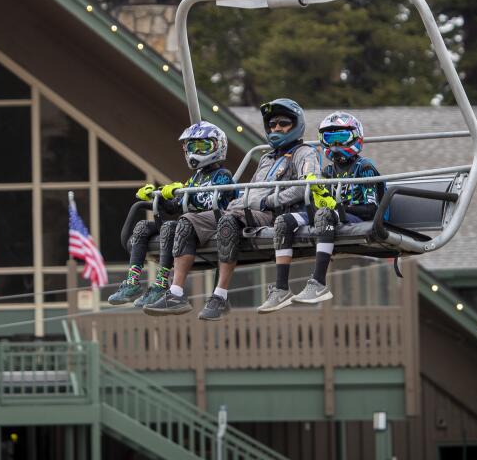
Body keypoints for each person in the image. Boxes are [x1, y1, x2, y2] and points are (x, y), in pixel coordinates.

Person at [146, 98, 318, 320]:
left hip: (273, 214)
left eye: (283, 123)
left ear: (296, 124)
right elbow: (253, 189)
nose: (276, 128)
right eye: (272, 124)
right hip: (245, 209)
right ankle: (176, 293)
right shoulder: (266, 158)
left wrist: (269, 201)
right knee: (187, 220)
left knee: (228, 221)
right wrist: (239, 202)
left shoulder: (304, 153)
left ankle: (220, 296)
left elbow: (307, 185)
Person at [258, 111, 385, 310]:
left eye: (341, 138)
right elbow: (321, 202)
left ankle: (319, 283)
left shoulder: (364, 168)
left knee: (324, 214)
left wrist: (336, 208)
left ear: (355, 137)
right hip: (334, 215)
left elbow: (370, 209)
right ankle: (281, 288)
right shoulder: (327, 172)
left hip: (361, 217)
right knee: (284, 221)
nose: (334, 145)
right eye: (329, 139)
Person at [108, 121, 237, 308]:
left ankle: (161, 283)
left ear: (218, 146)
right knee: (142, 227)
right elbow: (174, 208)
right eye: (193, 147)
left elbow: (208, 202)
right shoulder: (195, 177)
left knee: (169, 226)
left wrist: (183, 192)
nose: (196, 152)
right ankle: (132, 281)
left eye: (203, 146)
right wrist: (158, 196)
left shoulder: (223, 175)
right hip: (188, 224)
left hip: (211, 225)